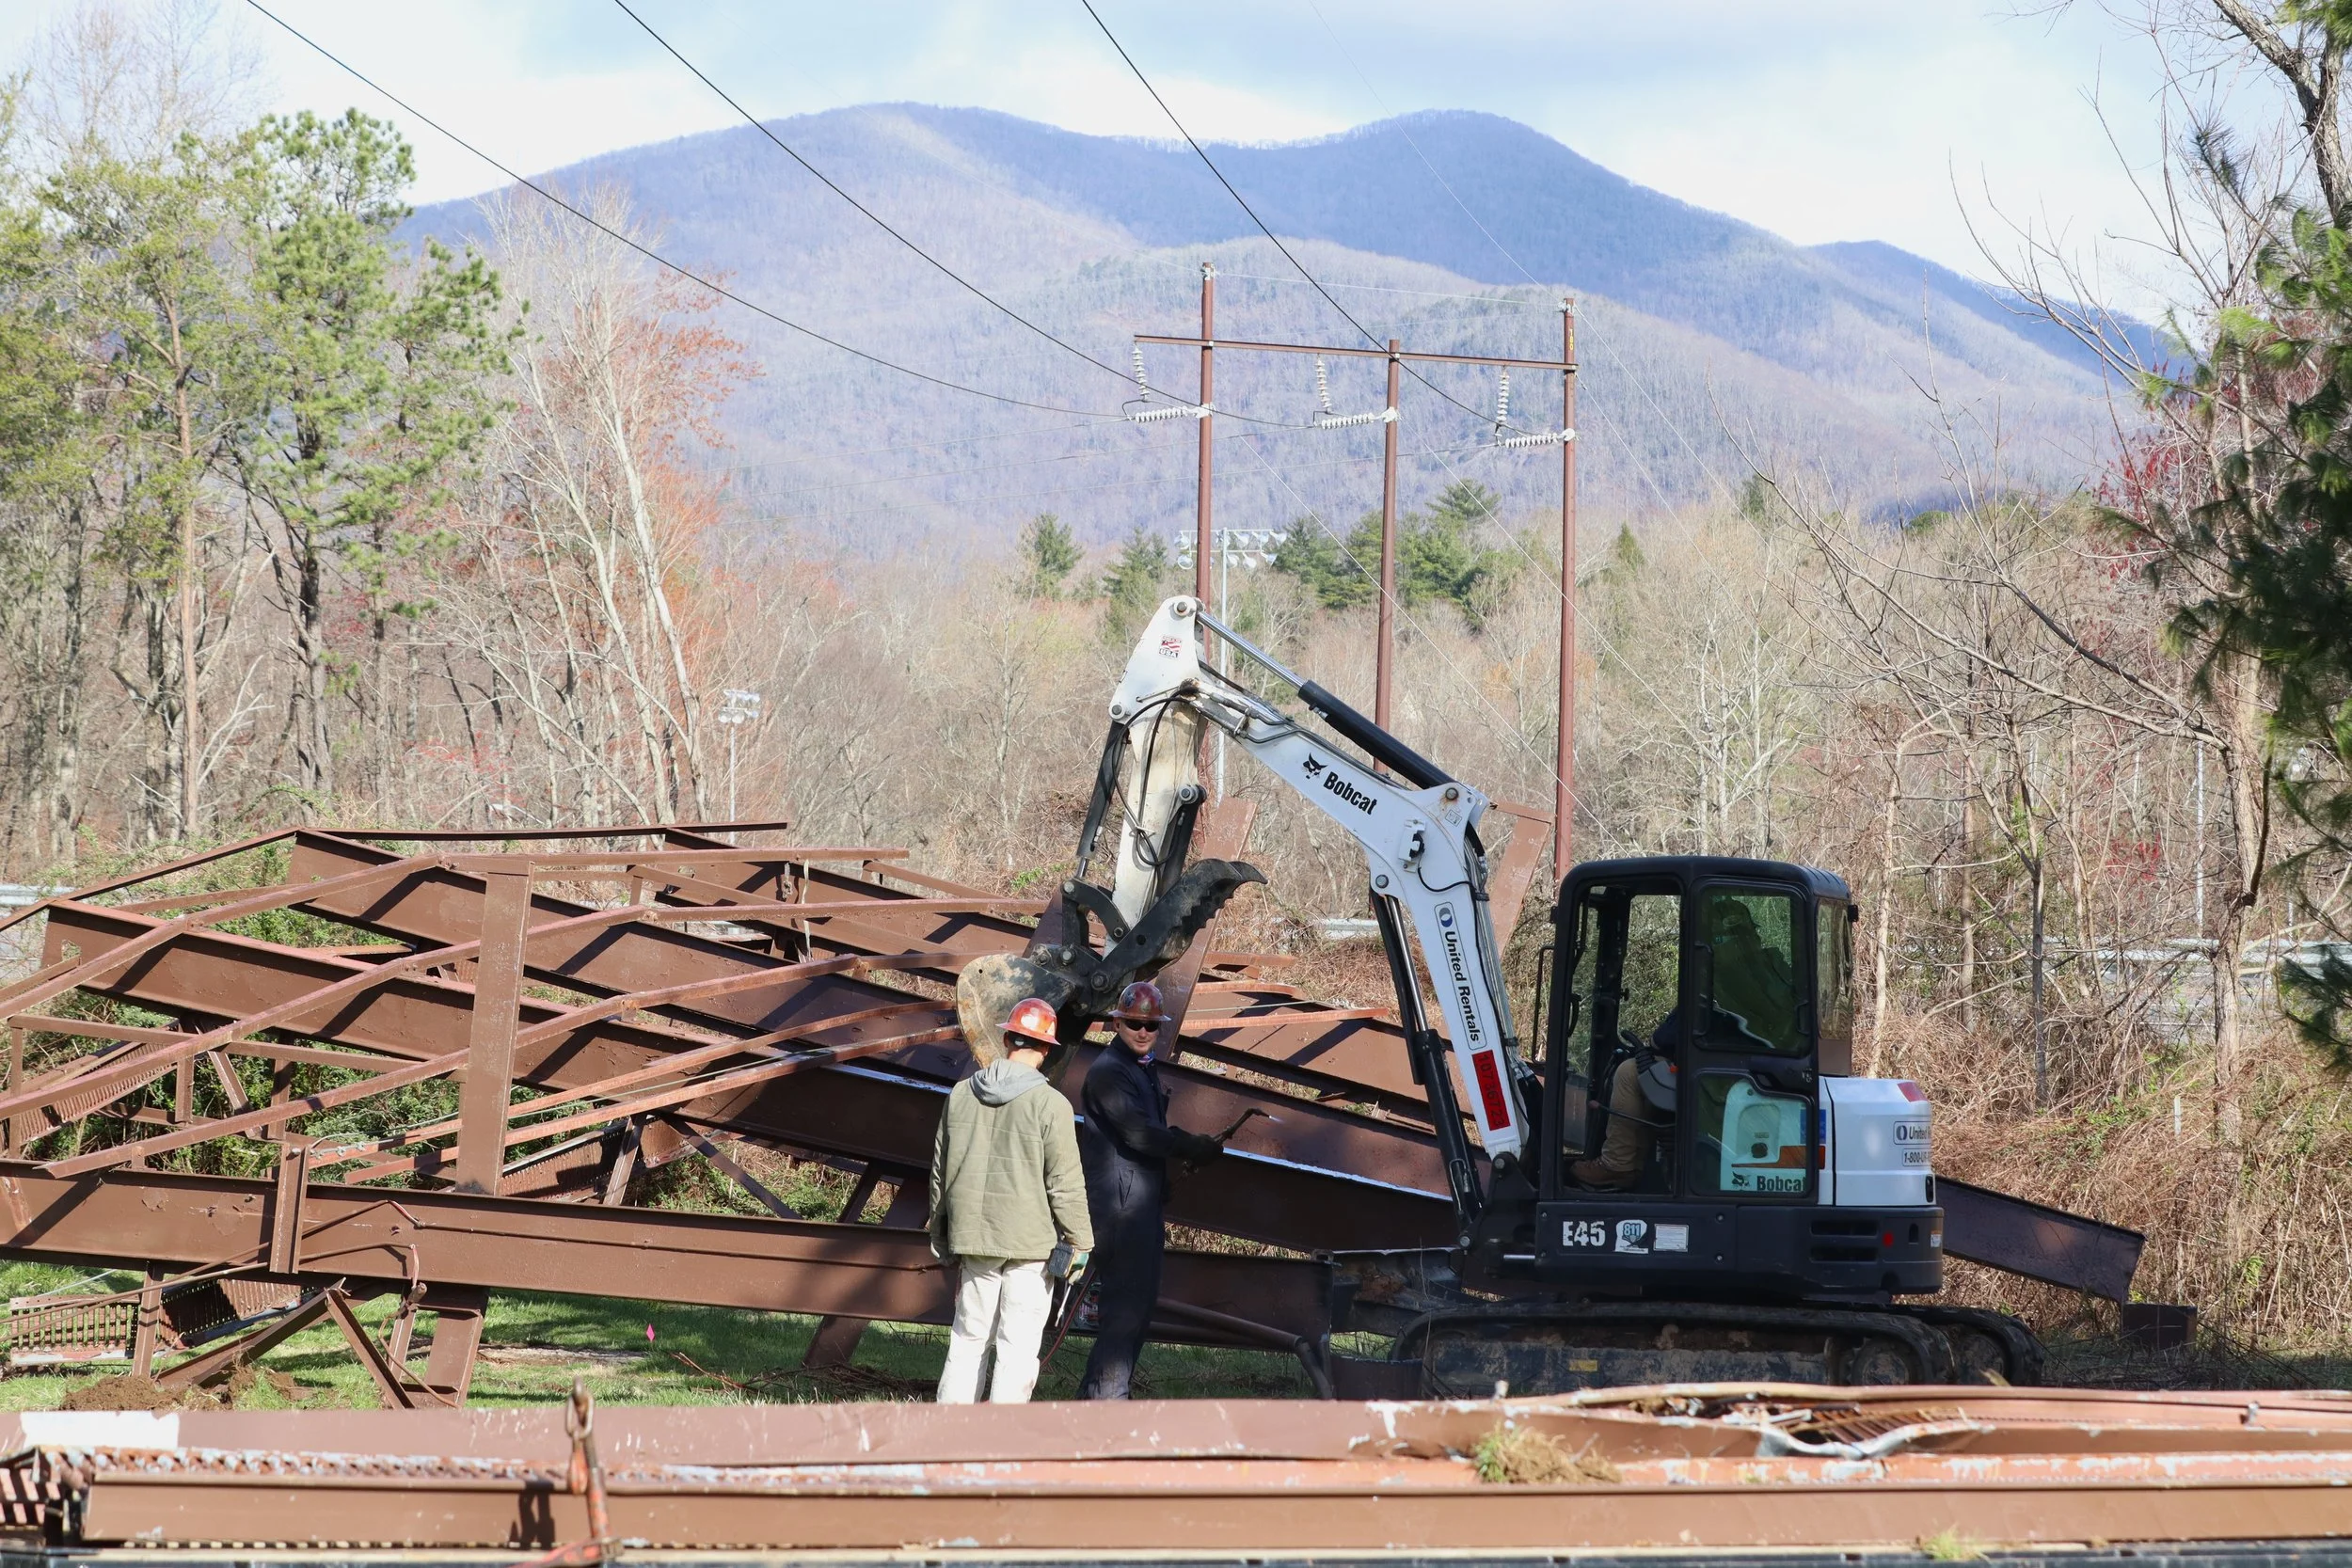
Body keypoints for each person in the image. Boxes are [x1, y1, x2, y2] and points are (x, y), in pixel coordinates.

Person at [929, 994, 1092, 1404]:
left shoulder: (960, 1095)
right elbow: (1065, 1184)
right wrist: (1081, 1242)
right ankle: (1002, 1436)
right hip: (1029, 1248)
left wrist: (942, 1237)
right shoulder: (1051, 1105)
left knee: (968, 1340)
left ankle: (948, 1433)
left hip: (975, 1240)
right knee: (1016, 1350)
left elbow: (940, 1174)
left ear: (1006, 1040)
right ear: (1046, 1050)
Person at [1076, 979, 1227, 1400]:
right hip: (1120, 1214)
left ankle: (1095, 1404)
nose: (1143, 1032)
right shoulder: (1109, 1072)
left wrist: (1160, 1183)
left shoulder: (1141, 1068)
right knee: (1125, 1314)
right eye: (1134, 1024)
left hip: (1137, 1207)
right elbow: (1140, 1134)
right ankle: (1107, 1405)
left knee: (1136, 1312)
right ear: (1116, 1023)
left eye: (1151, 1025)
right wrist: (1189, 1145)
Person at [1568, 1013, 1678, 1191]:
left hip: (1693, 1070)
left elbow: (1661, 1040)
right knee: (1646, 1081)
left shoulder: (1697, 1005)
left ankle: (1616, 1163)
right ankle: (1636, 1166)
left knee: (1629, 1072)